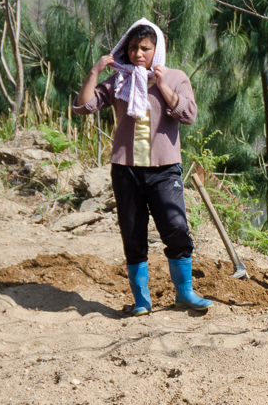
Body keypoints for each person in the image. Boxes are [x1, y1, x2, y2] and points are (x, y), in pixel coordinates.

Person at [73, 18, 212, 315]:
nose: (138, 54)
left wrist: (162, 86)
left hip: (165, 169)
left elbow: (188, 114)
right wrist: (95, 71)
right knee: (133, 233)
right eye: (133, 48)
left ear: (157, 49)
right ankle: (141, 300)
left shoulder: (175, 78)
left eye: (145, 48)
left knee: (176, 227)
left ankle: (185, 293)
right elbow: (83, 106)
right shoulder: (118, 80)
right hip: (126, 169)